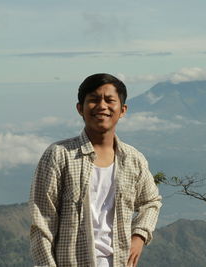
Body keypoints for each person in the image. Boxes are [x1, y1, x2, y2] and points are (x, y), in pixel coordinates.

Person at [29, 73, 162, 267]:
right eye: (93, 100)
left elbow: (151, 201)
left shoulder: (133, 159)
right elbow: (42, 223)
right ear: (80, 109)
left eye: (110, 100)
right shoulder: (59, 155)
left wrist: (139, 236)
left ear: (122, 110)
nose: (102, 106)